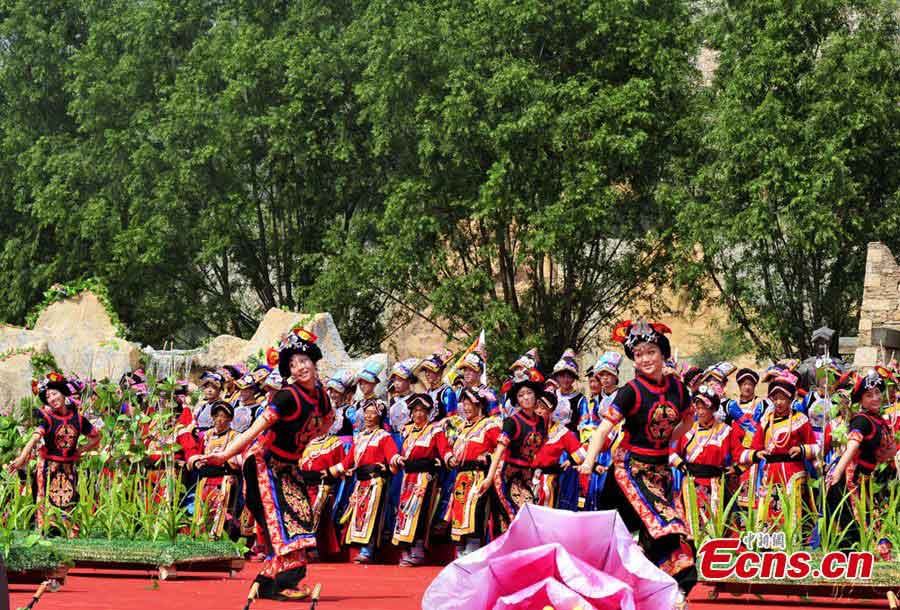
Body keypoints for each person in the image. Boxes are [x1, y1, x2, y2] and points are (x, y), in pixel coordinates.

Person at [196, 327, 334, 601]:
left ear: (314, 362)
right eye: (293, 364)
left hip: (289, 465)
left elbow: (326, 421)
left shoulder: (321, 395)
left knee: (302, 518)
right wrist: (223, 455)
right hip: (264, 462)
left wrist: (309, 438)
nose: (300, 368)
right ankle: (278, 584)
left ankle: (270, 580)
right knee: (282, 522)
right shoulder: (286, 397)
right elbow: (254, 431)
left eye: (304, 361)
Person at [580, 320, 696, 605]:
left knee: (654, 534)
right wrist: (589, 460)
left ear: (663, 354)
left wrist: (669, 439)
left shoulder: (678, 390)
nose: (645, 358)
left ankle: (656, 594)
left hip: (660, 472)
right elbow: (604, 429)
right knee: (665, 525)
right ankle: (676, 588)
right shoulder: (630, 391)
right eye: (640, 353)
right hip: (629, 471)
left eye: (651, 352)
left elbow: (689, 418)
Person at [7, 373, 101, 529]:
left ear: (63, 394)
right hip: (47, 466)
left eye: (54, 394)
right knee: (45, 498)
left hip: (68, 467)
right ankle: (44, 531)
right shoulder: (48, 419)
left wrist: (81, 450)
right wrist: (22, 458)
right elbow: (34, 439)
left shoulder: (78, 419)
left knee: (68, 497)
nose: (52, 399)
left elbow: (96, 437)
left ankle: (68, 532)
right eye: (48, 397)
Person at [825, 369, 898, 549]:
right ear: (861, 400)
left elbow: (884, 453)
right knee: (857, 518)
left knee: (875, 515)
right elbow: (852, 447)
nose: (876, 398)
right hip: (853, 478)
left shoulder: (879, 420)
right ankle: (861, 552)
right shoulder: (862, 420)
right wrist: (838, 472)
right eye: (869, 395)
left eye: (877, 393)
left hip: (871, 478)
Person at [739, 371, 818, 528]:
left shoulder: (800, 420)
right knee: (769, 511)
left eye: (783, 398)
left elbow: (815, 447)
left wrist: (802, 450)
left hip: (793, 472)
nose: (779, 402)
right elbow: (755, 446)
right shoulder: (765, 421)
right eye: (775, 398)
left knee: (792, 512)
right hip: (770, 473)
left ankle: (792, 546)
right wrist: (756, 453)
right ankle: (770, 546)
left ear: (790, 399)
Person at [329, 398, 399, 564]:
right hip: (360, 483)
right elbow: (348, 462)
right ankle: (362, 549)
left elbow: (392, 456)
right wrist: (329, 472)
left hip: (375, 483)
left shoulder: (384, 436)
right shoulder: (359, 437)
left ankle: (368, 549)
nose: (368, 416)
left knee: (371, 515)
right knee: (359, 515)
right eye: (366, 412)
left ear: (379, 415)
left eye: (372, 413)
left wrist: (397, 461)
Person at [479, 367, 547, 534]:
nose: (525, 398)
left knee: (530, 516)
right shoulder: (512, 422)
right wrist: (488, 478)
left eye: (528, 393)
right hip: (506, 476)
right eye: (521, 395)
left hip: (527, 476)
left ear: (535, 395)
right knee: (514, 517)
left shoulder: (541, 422)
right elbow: (499, 451)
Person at [670, 384, 742, 537]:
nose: (701, 411)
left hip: (715, 484)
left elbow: (740, 454)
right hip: (690, 484)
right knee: (692, 523)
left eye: (705, 408)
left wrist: (737, 469)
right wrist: (679, 463)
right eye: (698, 407)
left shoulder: (725, 431)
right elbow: (670, 450)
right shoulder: (687, 429)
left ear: (713, 409)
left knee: (717, 526)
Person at [391, 394, 452, 566]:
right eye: (416, 410)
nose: (418, 414)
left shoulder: (435, 430)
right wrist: (396, 460)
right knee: (404, 513)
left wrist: (449, 458)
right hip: (407, 478)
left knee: (419, 512)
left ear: (428, 412)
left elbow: (444, 449)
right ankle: (405, 548)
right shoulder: (407, 431)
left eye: (422, 410)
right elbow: (400, 453)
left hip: (424, 478)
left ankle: (417, 548)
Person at [444, 387, 501, 557]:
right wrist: (450, 458)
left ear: (480, 406)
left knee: (475, 513)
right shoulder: (461, 427)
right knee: (459, 515)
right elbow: (449, 446)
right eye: (465, 404)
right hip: (461, 476)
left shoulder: (489, 425)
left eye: (471, 404)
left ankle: (473, 551)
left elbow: (501, 448)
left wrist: (488, 457)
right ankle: (461, 551)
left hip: (478, 476)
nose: (467, 407)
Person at [186, 400, 241, 539]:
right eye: (217, 416)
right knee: (202, 510)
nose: (220, 420)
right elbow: (198, 454)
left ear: (230, 419)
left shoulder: (235, 436)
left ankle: (220, 539)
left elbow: (236, 459)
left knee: (221, 511)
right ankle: (201, 538)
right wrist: (197, 461)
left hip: (223, 478)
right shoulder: (207, 435)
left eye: (224, 416)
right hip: (206, 479)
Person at [298, 421, 347, 560]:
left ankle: (309, 547)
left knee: (312, 511)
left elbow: (343, 465)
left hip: (322, 485)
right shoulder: (304, 441)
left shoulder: (334, 442)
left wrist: (330, 474)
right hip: (303, 485)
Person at [532, 390, 585, 510]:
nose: (539, 411)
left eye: (543, 408)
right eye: (536, 407)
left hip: (549, 480)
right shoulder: (529, 427)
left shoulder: (561, 431)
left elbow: (582, 451)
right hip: (527, 478)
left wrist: (571, 461)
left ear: (551, 411)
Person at [723, 368, 765, 513]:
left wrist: (746, 449)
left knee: (751, 496)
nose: (747, 387)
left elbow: (755, 429)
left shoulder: (760, 405)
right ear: (739, 386)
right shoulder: (731, 405)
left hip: (752, 455)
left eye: (750, 384)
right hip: (733, 454)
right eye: (744, 384)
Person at [550, 349, 587, 434]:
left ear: (574, 378)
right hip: (551, 437)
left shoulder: (580, 399)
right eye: (562, 376)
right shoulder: (552, 395)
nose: (566, 380)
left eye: (569, 376)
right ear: (557, 377)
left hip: (571, 440)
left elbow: (584, 422)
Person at [417, 349, 458, 422]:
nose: (427, 374)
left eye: (430, 371)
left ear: (439, 372)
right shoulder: (427, 393)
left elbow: (452, 417)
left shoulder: (447, 392)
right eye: (426, 371)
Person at [501, 348, 540, 417]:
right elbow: (503, 408)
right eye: (516, 369)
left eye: (520, 368)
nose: (518, 372)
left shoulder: (536, 388)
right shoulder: (509, 387)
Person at [388, 359, 419, 434]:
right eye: (394, 380)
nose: (396, 383)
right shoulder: (393, 400)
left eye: (399, 380)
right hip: (393, 437)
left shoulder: (416, 399)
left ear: (408, 381)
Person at [325, 369, 357, 438]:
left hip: (346, 446)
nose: (333, 395)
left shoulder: (349, 410)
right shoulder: (332, 409)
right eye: (331, 392)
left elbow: (357, 428)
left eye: (336, 392)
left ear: (343, 393)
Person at [193, 371, 226, 436]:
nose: (209, 390)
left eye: (214, 387)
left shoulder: (221, 407)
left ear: (219, 390)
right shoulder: (204, 405)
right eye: (207, 387)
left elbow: (219, 428)